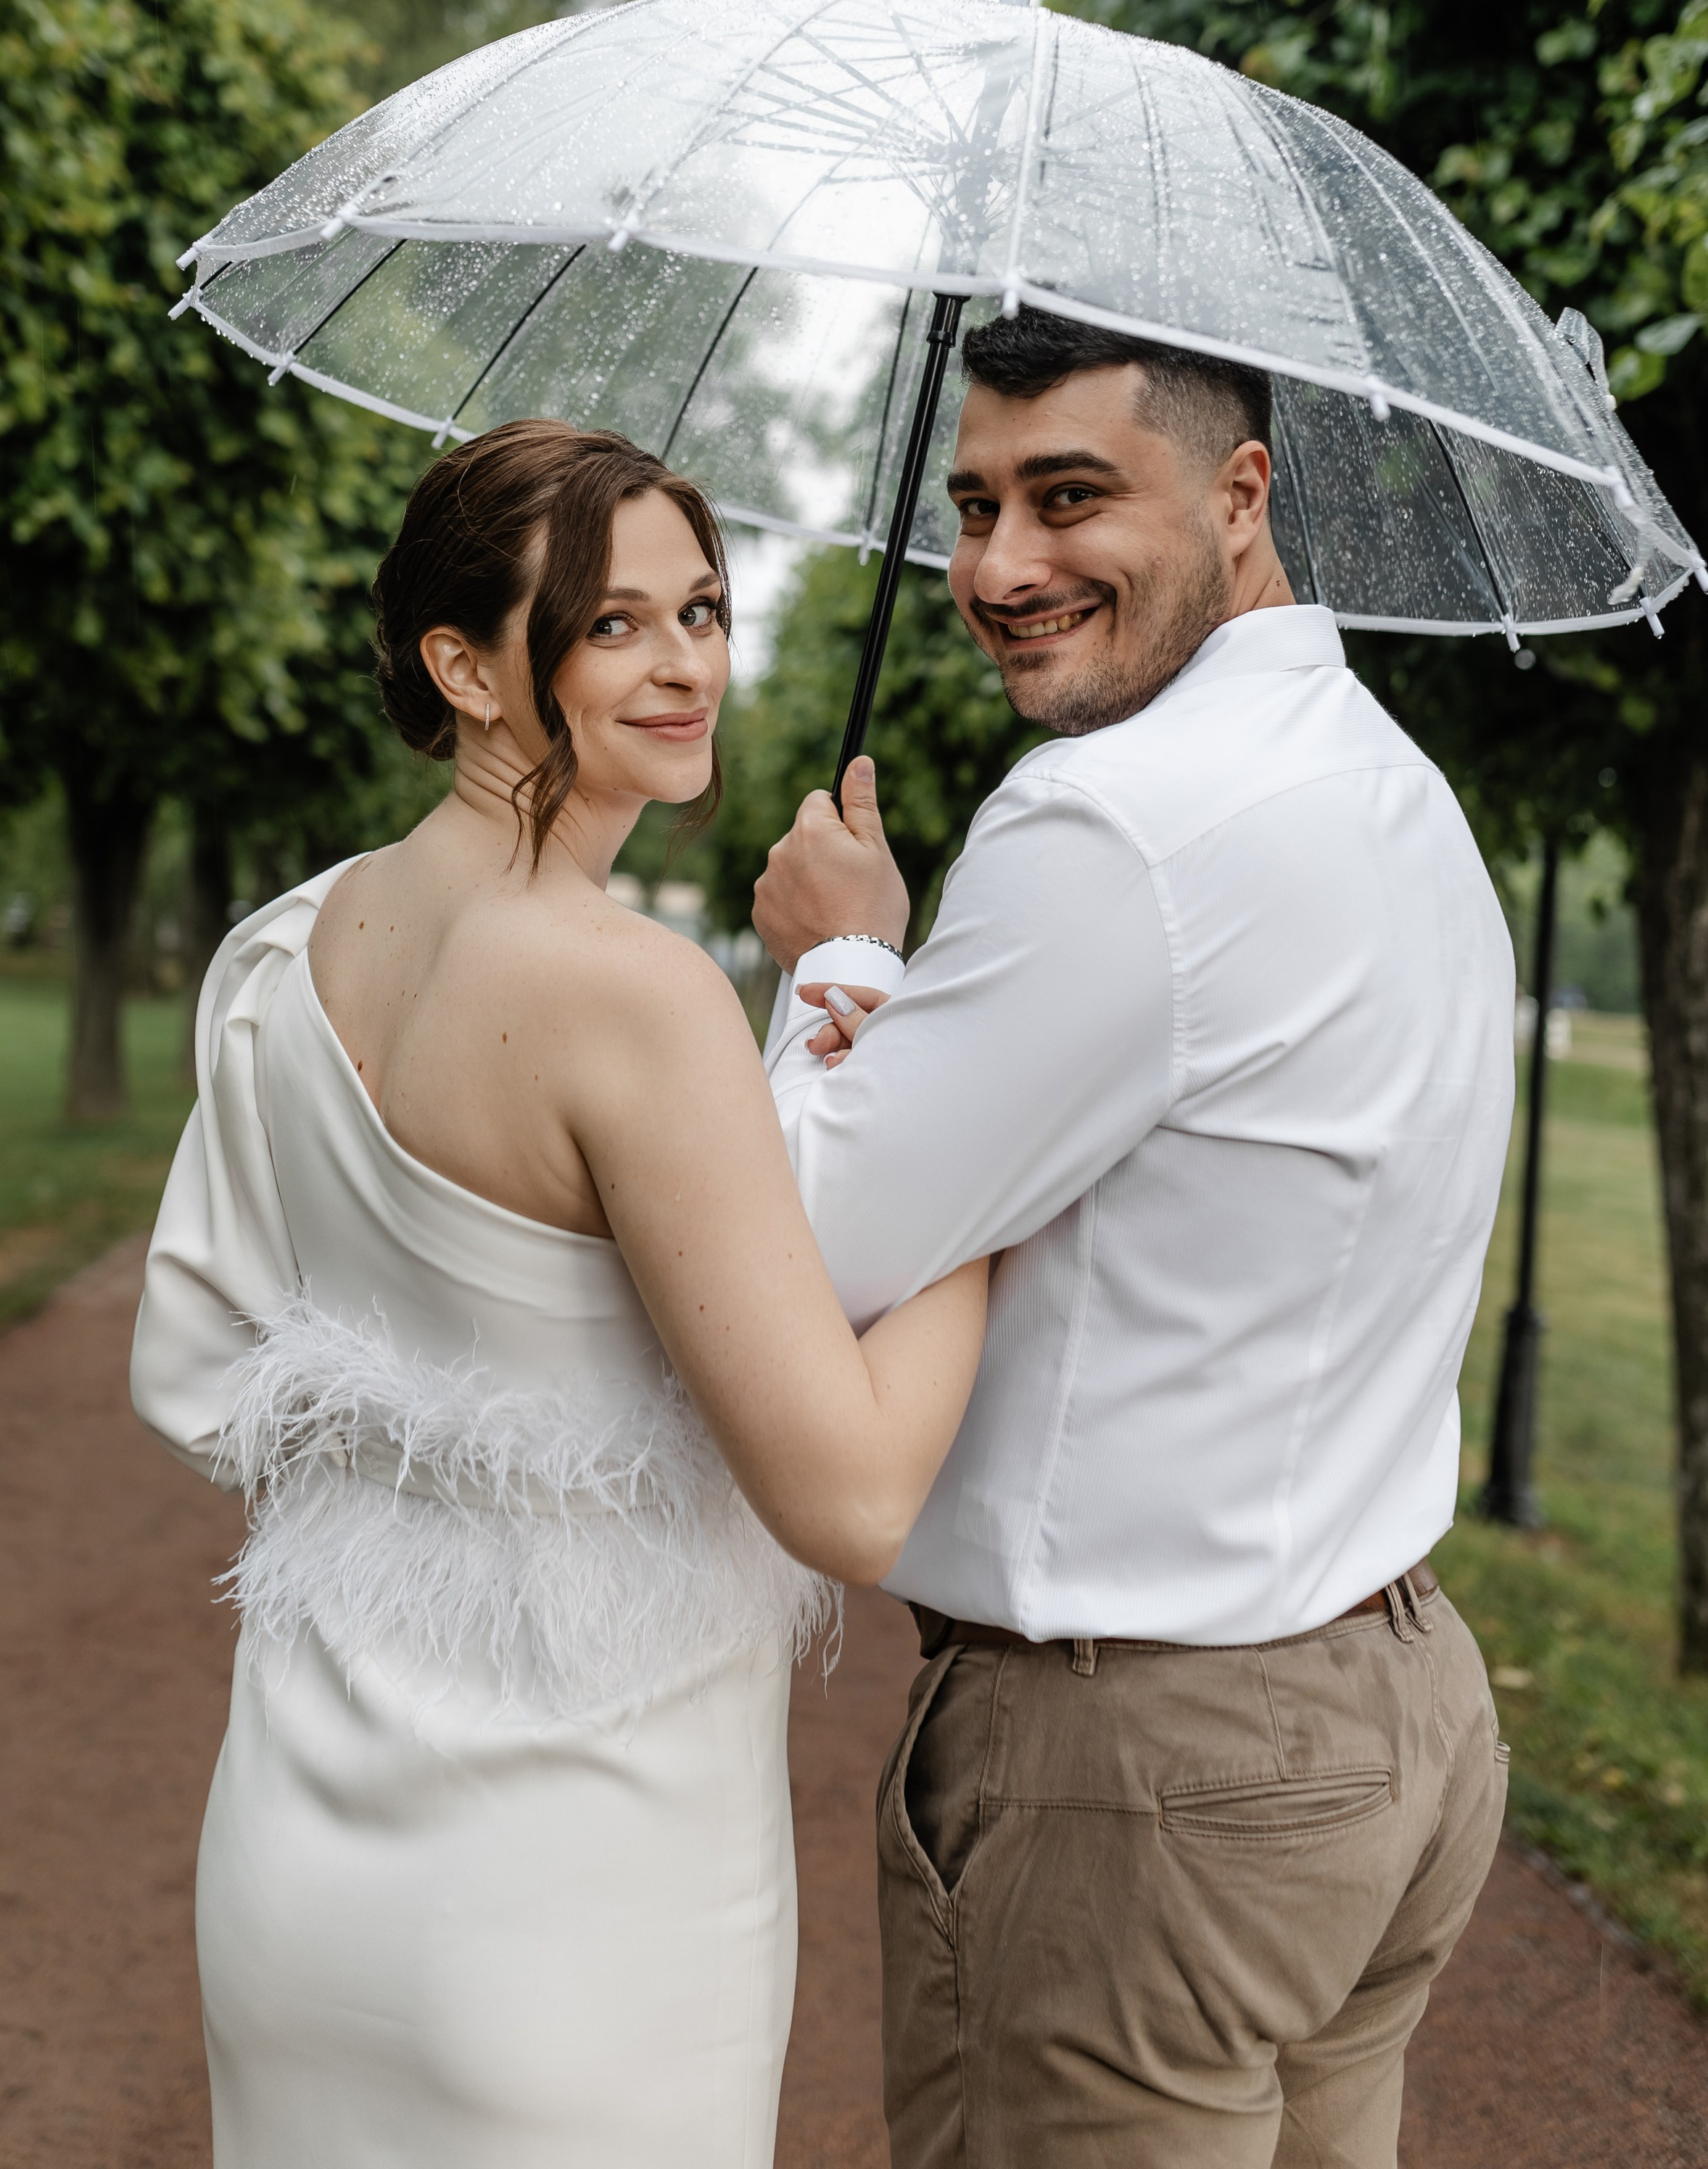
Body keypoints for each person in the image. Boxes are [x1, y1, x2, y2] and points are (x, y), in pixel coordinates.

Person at [129, 418, 986, 2169]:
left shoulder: (283, 954)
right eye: (610, 625)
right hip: (588, 1889)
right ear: (459, 662)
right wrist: (988, 1158)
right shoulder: (631, 993)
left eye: (705, 609)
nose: (684, 666)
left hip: (301, 1836)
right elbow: (850, 1491)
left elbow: (210, 1368)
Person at [754, 305, 1516, 2169]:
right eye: (972, 504)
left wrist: (841, 957)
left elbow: (814, 1251)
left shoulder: (1114, 821)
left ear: (1240, 493)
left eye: (1068, 496)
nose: (998, 567)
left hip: (1147, 1777)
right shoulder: (1395, 792)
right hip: (1393, 1707)